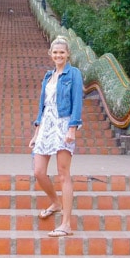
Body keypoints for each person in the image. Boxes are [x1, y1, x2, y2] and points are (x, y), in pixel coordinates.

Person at [29, 35, 83, 237]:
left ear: (68, 54)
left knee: (63, 173)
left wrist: (72, 128)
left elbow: (77, 101)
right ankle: (55, 201)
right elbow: (42, 106)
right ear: (50, 54)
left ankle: (66, 224)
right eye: (55, 52)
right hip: (46, 126)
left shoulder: (74, 74)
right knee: (38, 171)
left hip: (63, 124)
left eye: (62, 52)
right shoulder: (47, 77)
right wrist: (36, 132)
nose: (58, 55)